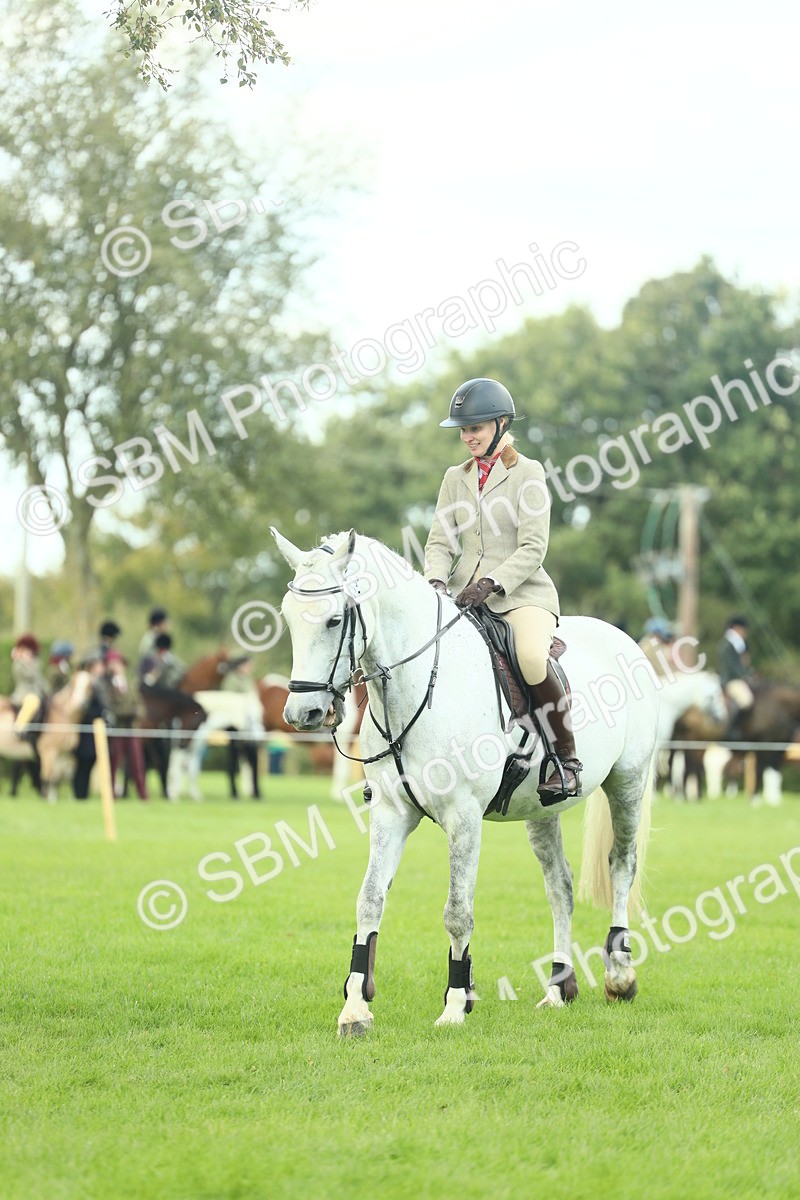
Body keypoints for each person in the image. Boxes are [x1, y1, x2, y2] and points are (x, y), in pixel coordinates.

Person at [423, 377, 581, 801]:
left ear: (500, 423)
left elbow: (534, 546)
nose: (467, 436)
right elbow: (440, 541)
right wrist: (436, 581)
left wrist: (492, 582)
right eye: (463, 429)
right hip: (462, 594)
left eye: (474, 428)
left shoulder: (527, 473)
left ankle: (565, 760)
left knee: (531, 656)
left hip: (520, 595)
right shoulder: (455, 478)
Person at [72, 649, 115, 801]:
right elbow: (83, 706)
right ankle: (79, 794)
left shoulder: (102, 682)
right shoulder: (86, 682)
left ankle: (82, 794)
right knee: (84, 763)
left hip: (97, 728)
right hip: (88, 728)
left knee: (90, 762)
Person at [106, 649, 148, 800]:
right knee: (114, 764)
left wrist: (137, 712)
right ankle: (110, 794)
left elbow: (140, 704)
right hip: (118, 729)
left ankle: (143, 794)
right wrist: (128, 712)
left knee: (137, 764)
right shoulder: (108, 686)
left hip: (132, 729)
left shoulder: (131, 683)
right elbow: (111, 707)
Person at [717, 615, 755, 740]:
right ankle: (733, 729)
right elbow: (733, 666)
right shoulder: (728, 645)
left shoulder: (736, 644)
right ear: (737, 628)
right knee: (746, 700)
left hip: (736, 679)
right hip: (730, 681)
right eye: (743, 629)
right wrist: (745, 676)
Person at [10, 633, 48, 708]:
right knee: (32, 703)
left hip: (37, 694)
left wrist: (47, 691)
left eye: (29, 650)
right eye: (25, 650)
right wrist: (28, 662)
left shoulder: (35, 663)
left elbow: (40, 679)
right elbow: (31, 675)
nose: (28, 652)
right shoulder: (19, 665)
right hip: (24, 695)